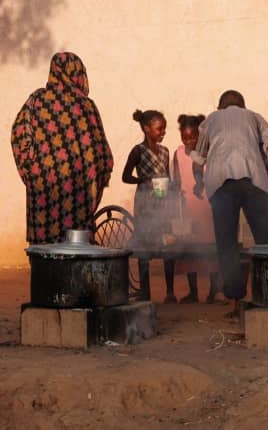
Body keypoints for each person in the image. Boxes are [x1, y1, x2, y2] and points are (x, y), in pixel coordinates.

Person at [191, 90, 268, 310]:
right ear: (243, 106)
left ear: (220, 107)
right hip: (254, 181)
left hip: (220, 185)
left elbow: (198, 161)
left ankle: (234, 298)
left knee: (226, 243)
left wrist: (199, 182)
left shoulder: (211, 120)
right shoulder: (256, 118)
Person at [11, 52, 113, 244]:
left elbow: (19, 136)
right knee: (77, 251)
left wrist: (33, 172)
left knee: (44, 256)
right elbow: (103, 155)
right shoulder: (86, 106)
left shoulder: (36, 101)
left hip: (43, 192)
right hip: (79, 196)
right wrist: (93, 180)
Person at [121, 109, 175, 302]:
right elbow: (125, 176)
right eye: (159, 129)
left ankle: (170, 292)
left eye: (164, 129)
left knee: (168, 245)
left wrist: (171, 186)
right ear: (146, 129)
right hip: (145, 205)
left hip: (162, 203)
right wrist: (142, 180)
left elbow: (166, 175)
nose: (163, 132)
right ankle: (145, 292)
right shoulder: (138, 151)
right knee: (144, 246)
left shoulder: (165, 151)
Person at [171, 114, 221, 304]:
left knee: (211, 249)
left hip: (208, 206)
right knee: (188, 250)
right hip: (188, 207)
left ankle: (213, 292)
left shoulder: (209, 153)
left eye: (193, 138)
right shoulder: (178, 153)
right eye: (185, 138)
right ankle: (193, 292)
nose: (189, 142)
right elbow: (176, 180)